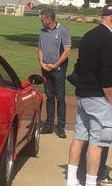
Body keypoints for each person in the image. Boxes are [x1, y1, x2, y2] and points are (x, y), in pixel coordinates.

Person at [65, 4, 112, 186]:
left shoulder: (89, 35)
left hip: (83, 94)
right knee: (97, 143)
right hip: (99, 96)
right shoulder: (108, 39)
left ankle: (71, 179)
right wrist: (110, 99)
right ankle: (91, 182)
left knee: (79, 137)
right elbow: (106, 74)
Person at [38, 8, 72, 139]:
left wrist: (56, 65)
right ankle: (48, 125)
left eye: (42, 19)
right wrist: (41, 63)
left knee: (60, 98)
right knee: (49, 97)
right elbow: (40, 48)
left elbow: (67, 51)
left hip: (58, 70)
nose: (41, 21)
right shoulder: (42, 32)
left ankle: (61, 127)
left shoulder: (63, 31)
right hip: (46, 69)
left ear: (49, 19)